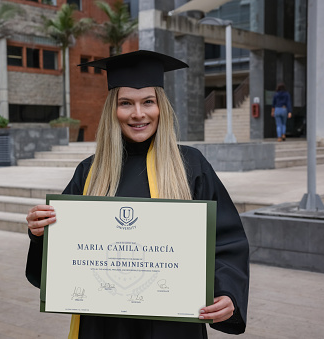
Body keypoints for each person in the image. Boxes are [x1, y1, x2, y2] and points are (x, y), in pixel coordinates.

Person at [25, 50, 249, 338]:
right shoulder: (90, 172)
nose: (138, 113)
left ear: (161, 107)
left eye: (148, 102)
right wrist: (40, 233)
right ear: (113, 110)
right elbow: (61, 260)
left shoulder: (190, 166)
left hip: (173, 325)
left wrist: (228, 292)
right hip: (104, 325)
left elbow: (227, 240)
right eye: (126, 103)